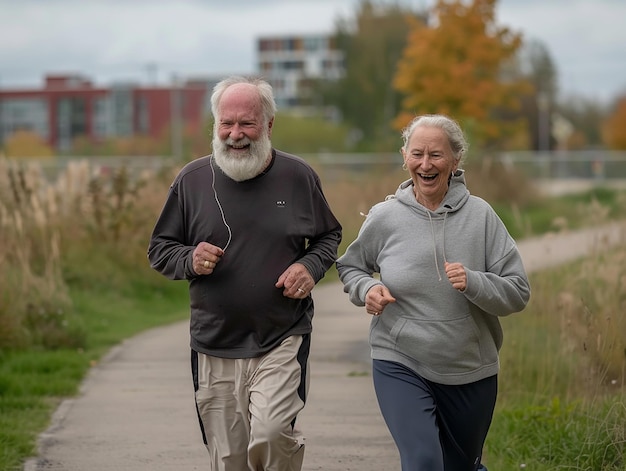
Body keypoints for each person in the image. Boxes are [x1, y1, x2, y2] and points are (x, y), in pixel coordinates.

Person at [147, 76, 342, 471]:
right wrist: (189, 258)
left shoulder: (298, 177)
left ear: (268, 125)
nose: (236, 134)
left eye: (247, 124)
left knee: (272, 434)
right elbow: (160, 249)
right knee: (230, 460)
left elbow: (328, 235)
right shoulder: (192, 181)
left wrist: (309, 266)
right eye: (226, 123)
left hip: (281, 335)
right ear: (215, 125)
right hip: (213, 341)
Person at [336, 114, 530, 471]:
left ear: (456, 161)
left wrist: (475, 282)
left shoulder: (482, 217)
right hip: (400, 358)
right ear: (404, 156)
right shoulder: (385, 216)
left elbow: (518, 291)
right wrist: (369, 288)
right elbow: (350, 266)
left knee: (460, 466)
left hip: (469, 367)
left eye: (436, 155)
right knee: (423, 461)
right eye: (417, 154)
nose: (425, 164)